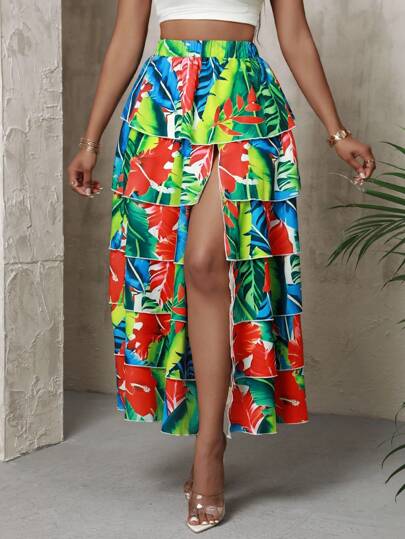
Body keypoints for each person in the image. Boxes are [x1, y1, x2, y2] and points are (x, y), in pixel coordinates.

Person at [67, 0, 376, 533]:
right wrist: (89, 141)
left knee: (206, 261)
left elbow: (295, 34)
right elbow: (127, 37)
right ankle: (206, 432)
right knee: (174, 272)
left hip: (244, 99)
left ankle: (210, 448)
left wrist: (336, 131)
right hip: (163, 102)